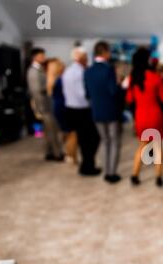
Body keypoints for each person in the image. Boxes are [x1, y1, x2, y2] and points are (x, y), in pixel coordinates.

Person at [126, 48, 163, 187]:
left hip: (141, 116)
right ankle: (158, 178)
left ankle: (135, 175)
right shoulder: (156, 77)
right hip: (155, 115)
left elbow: (129, 98)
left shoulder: (133, 77)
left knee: (142, 147)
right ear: (146, 60)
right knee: (157, 147)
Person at [84, 41, 122, 184]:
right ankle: (112, 173)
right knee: (114, 142)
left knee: (104, 141)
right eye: (109, 51)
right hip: (111, 111)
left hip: (97, 111)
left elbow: (87, 93)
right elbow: (113, 91)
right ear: (105, 52)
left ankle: (106, 171)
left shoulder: (88, 70)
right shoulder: (109, 70)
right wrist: (119, 83)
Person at [63, 47, 101, 176]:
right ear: (81, 58)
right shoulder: (81, 73)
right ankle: (87, 166)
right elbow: (84, 93)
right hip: (82, 110)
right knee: (92, 139)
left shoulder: (67, 71)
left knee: (83, 139)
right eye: (85, 57)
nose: (87, 60)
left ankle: (86, 164)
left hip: (71, 109)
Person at [27, 48, 63, 161]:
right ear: (35, 57)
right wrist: (50, 84)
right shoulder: (33, 71)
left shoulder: (40, 69)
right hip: (44, 106)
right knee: (52, 130)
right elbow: (35, 91)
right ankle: (57, 154)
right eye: (41, 55)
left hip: (46, 104)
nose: (43, 58)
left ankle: (49, 153)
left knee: (48, 131)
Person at [46, 58, 78, 165]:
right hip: (65, 107)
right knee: (72, 133)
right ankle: (71, 156)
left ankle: (68, 154)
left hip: (57, 107)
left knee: (66, 132)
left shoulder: (51, 80)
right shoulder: (61, 80)